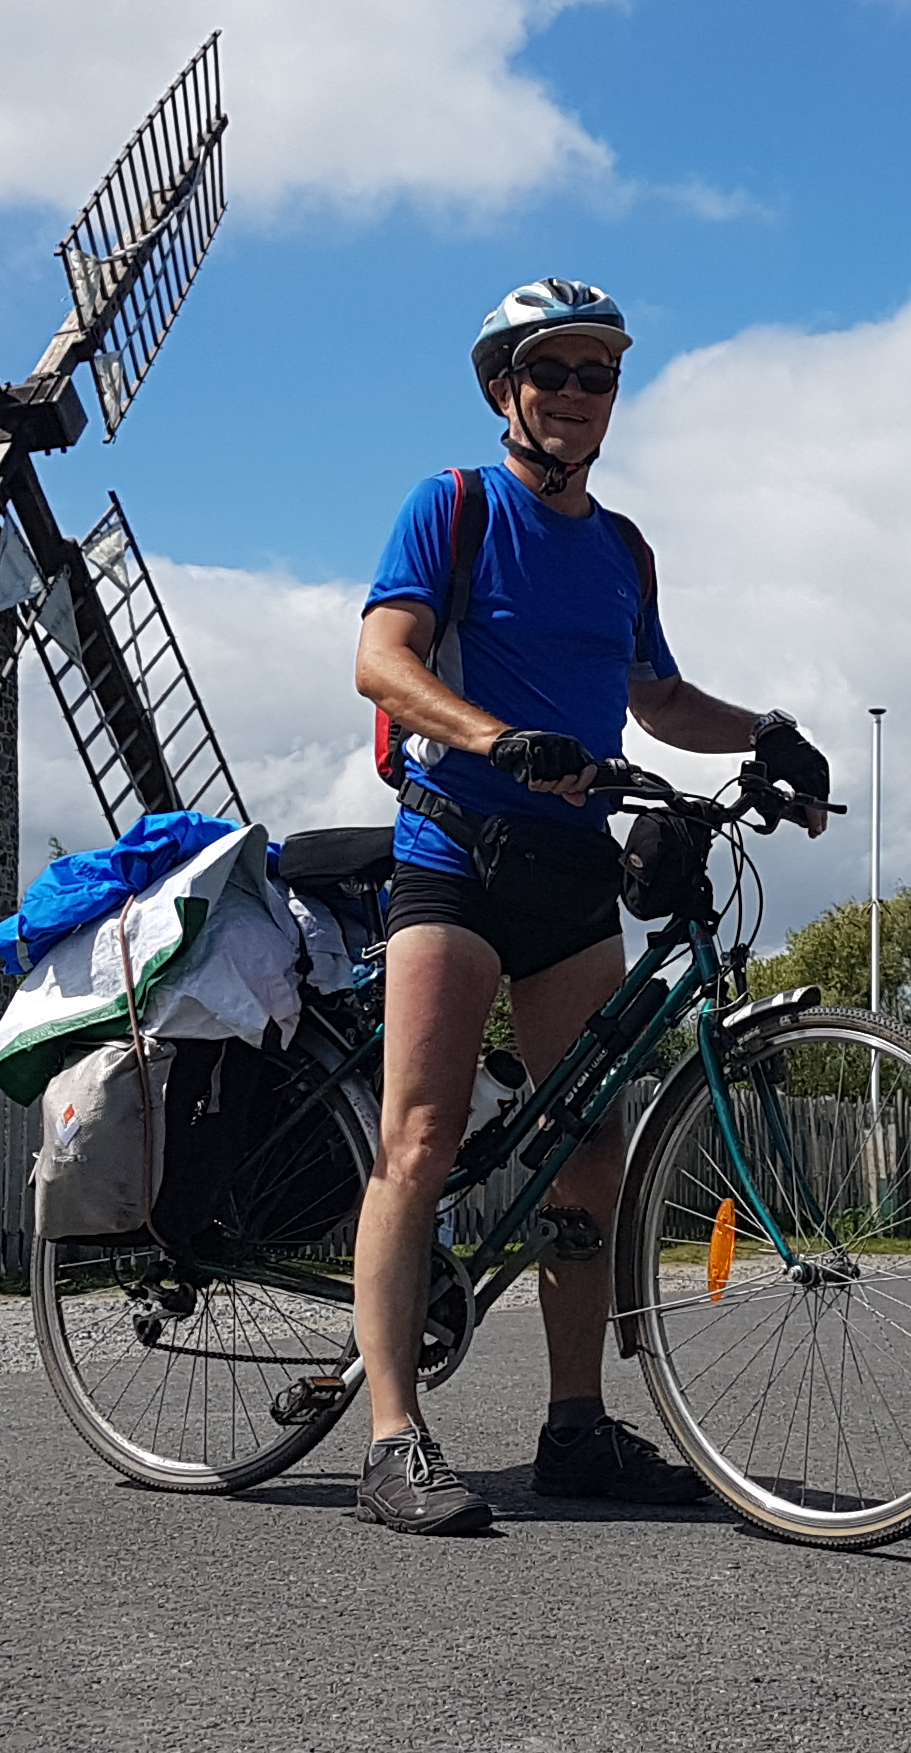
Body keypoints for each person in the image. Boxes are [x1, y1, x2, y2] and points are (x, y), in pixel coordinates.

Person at [347, 279, 835, 1535]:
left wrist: (769, 731)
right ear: (505, 386)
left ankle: (575, 1426)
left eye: (597, 375)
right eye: (551, 370)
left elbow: (658, 701)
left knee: (589, 1153)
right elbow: (383, 662)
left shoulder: (621, 550)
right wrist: (493, 736)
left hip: (571, 867)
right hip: (453, 848)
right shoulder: (451, 506)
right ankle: (393, 1437)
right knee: (421, 1134)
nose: (574, 393)